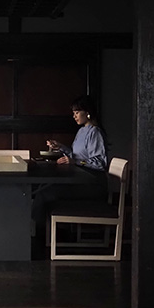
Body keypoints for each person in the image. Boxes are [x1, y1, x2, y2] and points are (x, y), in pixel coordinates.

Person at [31, 95, 109, 254]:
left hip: (92, 186)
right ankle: (37, 230)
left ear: (88, 112)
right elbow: (76, 155)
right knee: (43, 187)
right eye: (73, 113)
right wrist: (60, 147)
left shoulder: (95, 132)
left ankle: (35, 233)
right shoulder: (81, 131)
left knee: (46, 192)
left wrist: (75, 162)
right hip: (82, 181)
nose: (74, 116)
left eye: (77, 112)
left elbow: (100, 163)